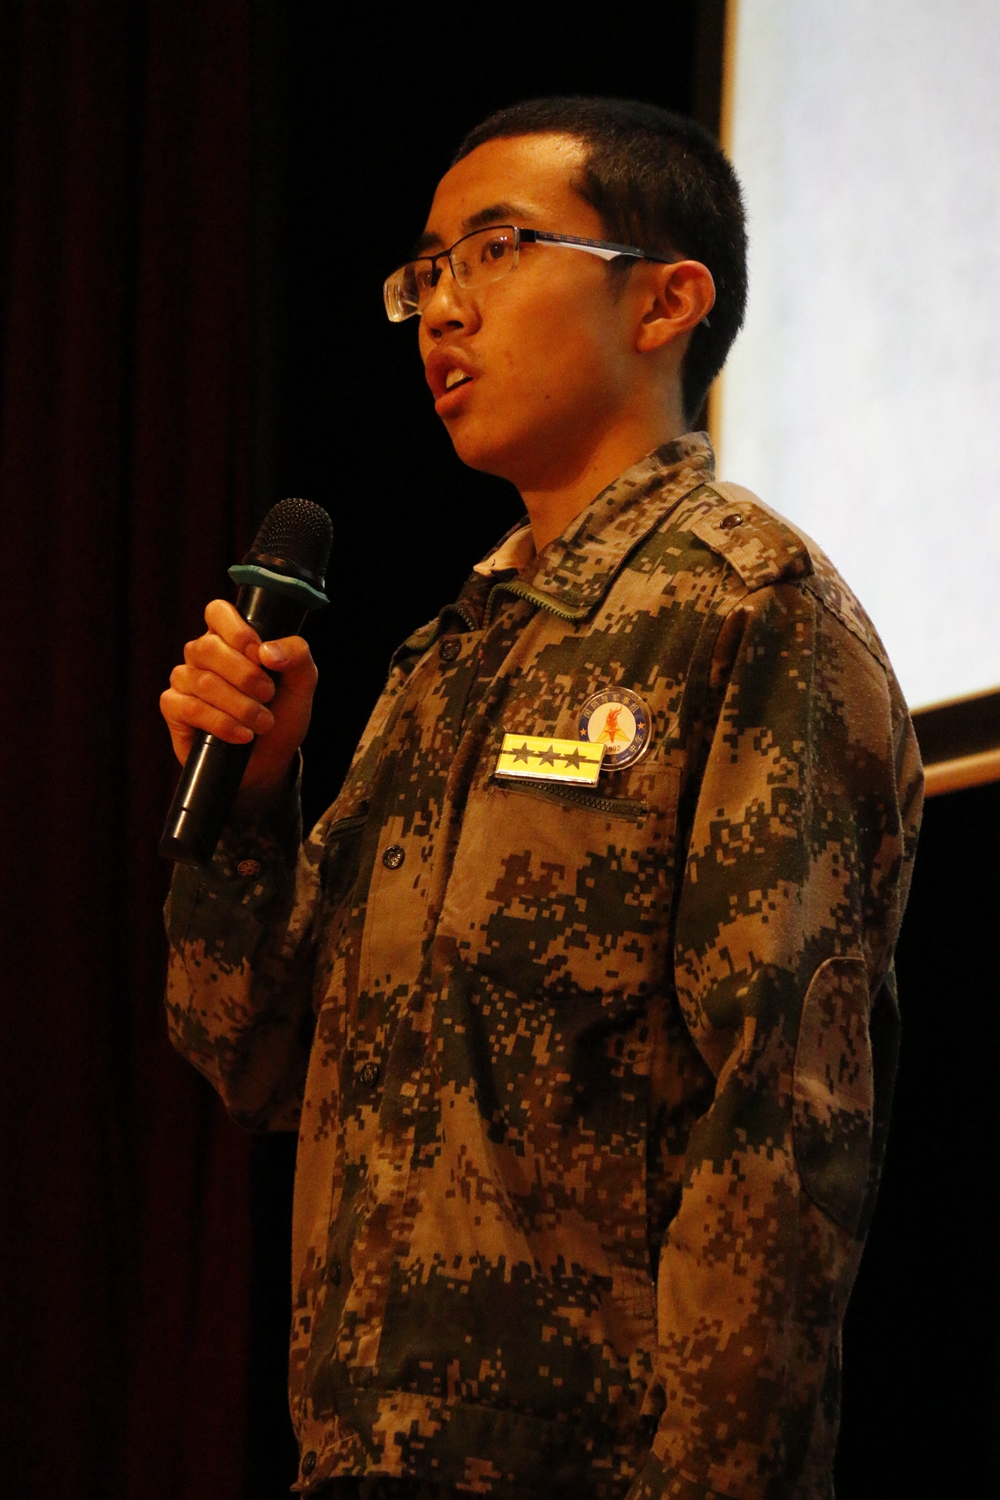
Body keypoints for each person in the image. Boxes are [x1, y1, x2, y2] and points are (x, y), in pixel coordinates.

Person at [161, 98, 922, 1500]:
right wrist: (253, 810)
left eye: (498, 250)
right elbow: (253, 1059)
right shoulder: (446, 661)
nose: (443, 309)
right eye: (427, 272)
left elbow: (782, 1127)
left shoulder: (751, 612)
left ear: (665, 302)